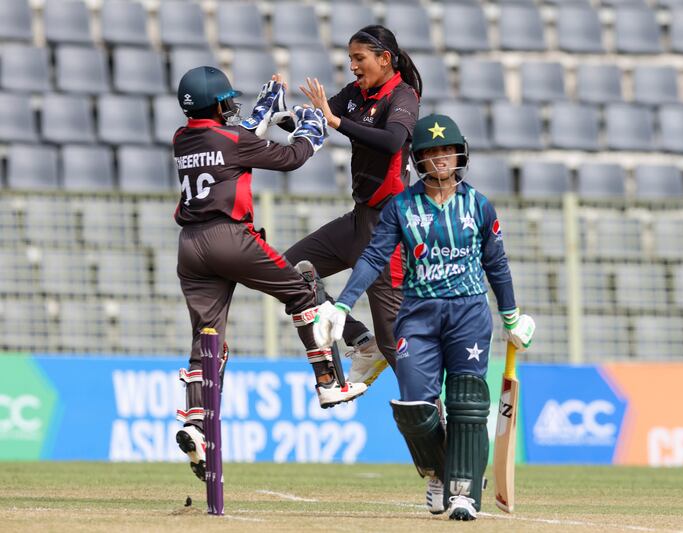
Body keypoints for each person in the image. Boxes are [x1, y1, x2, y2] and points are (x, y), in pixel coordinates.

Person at [313, 114, 536, 521]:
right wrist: (343, 304)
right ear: (418, 158)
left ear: (459, 153)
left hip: (468, 314)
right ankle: (439, 472)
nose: (440, 159)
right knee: (414, 407)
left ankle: (464, 493)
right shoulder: (401, 206)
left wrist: (511, 316)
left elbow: (496, 265)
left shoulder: (479, 206)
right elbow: (374, 257)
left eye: (446, 151)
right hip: (417, 316)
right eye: (431, 153)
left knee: (467, 405)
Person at [171, 66, 366, 481]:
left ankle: (195, 423)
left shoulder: (182, 139)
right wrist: (311, 122)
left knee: (207, 337)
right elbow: (294, 156)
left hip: (190, 247)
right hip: (230, 237)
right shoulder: (234, 139)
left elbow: (241, 135)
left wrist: (266, 104)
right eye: (226, 100)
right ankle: (330, 382)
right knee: (304, 290)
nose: (230, 106)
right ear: (215, 104)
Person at [283, 25, 422, 386]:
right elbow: (321, 116)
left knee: (394, 341)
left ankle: (431, 412)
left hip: (387, 227)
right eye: (351, 60)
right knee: (289, 270)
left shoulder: (402, 96)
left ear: (385, 59)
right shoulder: (358, 94)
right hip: (359, 220)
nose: (354, 67)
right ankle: (360, 339)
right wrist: (282, 117)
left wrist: (337, 121)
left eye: (359, 59)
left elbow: (392, 141)